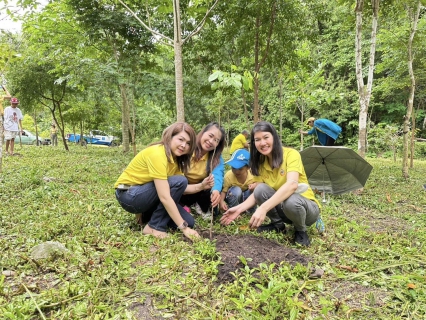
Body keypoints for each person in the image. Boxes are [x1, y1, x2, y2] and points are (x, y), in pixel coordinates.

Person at [220, 121, 321, 246]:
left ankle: (301, 230)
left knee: (291, 199)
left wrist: (263, 208)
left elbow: (292, 185)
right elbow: (257, 194)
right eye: (257, 140)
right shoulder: (261, 163)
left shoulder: (291, 154)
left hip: (306, 210)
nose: (262, 143)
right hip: (285, 210)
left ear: (274, 137)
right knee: (259, 188)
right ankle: (278, 225)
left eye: (266, 137)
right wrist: (239, 209)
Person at [114, 122, 208, 240]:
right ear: (170, 137)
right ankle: (154, 227)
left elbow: (180, 188)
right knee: (180, 182)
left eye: (188, 143)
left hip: (144, 194)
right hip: (128, 194)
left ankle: (147, 215)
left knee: (189, 221)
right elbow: (165, 195)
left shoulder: (175, 159)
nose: (184, 145)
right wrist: (184, 229)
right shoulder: (158, 153)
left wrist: (201, 186)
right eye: (180, 139)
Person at [179, 122, 225, 220]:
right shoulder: (187, 148)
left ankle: (202, 207)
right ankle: (181, 206)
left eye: (216, 140)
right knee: (179, 181)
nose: (211, 141)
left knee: (211, 184)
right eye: (210, 136)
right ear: (203, 132)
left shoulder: (215, 157)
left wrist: (216, 190)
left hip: (200, 190)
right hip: (182, 189)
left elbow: (217, 175)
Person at [219, 149, 259, 214]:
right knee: (236, 190)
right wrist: (221, 202)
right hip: (233, 196)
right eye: (233, 168)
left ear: (248, 167)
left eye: (240, 169)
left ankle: (250, 210)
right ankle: (233, 210)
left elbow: (261, 184)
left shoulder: (253, 175)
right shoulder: (228, 176)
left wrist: (255, 185)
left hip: (246, 198)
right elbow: (224, 191)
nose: (236, 171)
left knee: (255, 190)